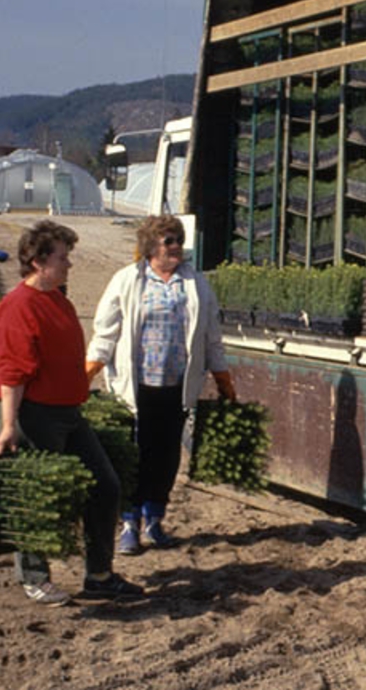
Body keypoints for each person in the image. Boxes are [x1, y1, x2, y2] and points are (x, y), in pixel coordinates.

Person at [0, 220, 145, 607]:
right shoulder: (18, 307)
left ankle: (99, 575)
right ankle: (35, 578)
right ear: (38, 260)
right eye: (63, 257)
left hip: (68, 413)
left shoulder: (58, 299)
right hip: (32, 415)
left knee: (104, 485)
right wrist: (9, 425)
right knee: (38, 497)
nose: (69, 265)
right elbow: (12, 371)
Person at [85, 214, 236, 555]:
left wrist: (222, 376)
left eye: (177, 241)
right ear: (150, 246)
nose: (175, 248)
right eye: (168, 241)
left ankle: (155, 520)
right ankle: (129, 523)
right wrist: (90, 369)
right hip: (136, 388)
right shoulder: (127, 281)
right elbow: (105, 332)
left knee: (166, 456)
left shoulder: (195, 284)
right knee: (135, 454)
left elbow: (211, 336)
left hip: (177, 386)